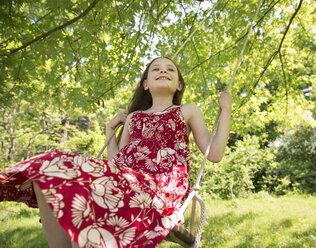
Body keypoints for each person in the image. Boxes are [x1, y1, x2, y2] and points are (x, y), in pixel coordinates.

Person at [0, 57, 232, 248]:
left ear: (179, 85)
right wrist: (109, 129)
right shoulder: (134, 117)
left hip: (159, 187)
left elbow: (214, 153)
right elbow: (117, 162)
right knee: (50, 167)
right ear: (145, 84)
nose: (164, 71)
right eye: (156, 69)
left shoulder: (187, 111)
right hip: (127, 180)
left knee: (90, 197)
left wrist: (226, 110)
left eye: (170, 69)